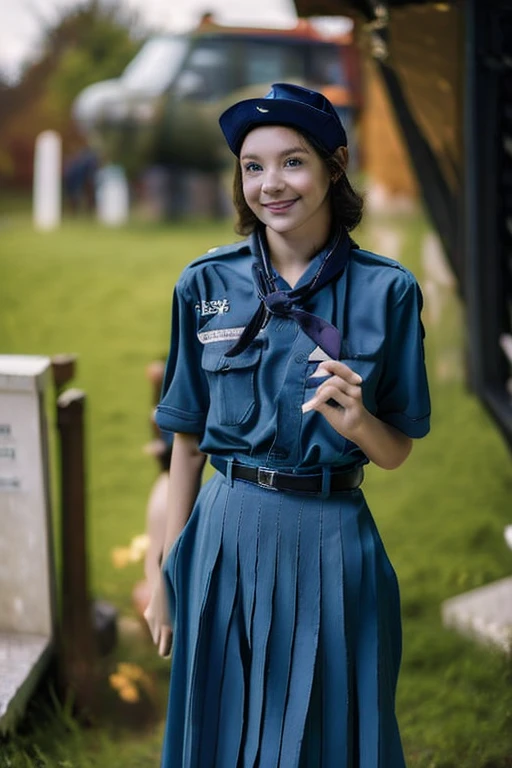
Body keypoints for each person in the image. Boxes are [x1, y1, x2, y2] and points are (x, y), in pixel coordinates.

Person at [144, 82, 431, 767]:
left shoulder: (388, 291)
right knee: (218, 732)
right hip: (223, 534)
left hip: (331, 540)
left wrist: (360, 422)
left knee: (326, 735)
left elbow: (396, 452)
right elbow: (185, 443)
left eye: (292, 161)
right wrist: (168, 572)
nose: (271, 184)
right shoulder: (204, 285)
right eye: (253, 166)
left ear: (335, 166)